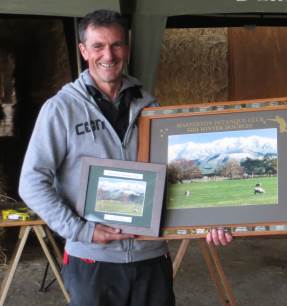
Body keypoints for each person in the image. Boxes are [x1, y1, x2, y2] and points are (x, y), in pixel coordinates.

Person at [19, 10, 175, 306]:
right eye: (98, 46)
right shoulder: (61, 109)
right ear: (83, 50)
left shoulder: (150, 106)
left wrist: (207, 221)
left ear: (127, 48)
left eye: (116, 45)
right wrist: (81, 231)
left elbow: (174, 175)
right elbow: (31, 183)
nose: (109, 55)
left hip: (151, 258)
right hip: (92, 262)